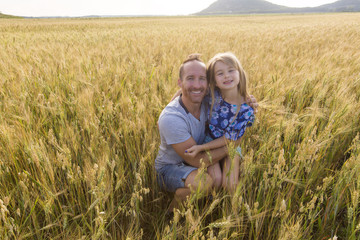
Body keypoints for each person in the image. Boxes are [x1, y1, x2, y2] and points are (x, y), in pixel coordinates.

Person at [155, 53, 257, 214]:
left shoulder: (206, 97)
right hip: (171, 168)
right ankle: (172, 213)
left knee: (223, 181)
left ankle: (221, 209)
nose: (197, 85)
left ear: (208, 82)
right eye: (190, 78)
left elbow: (229, 95)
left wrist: (248, 101)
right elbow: (197, 161)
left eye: (202, 79)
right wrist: (233, 144)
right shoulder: (172, 118)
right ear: (180, 83)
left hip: (202, 151)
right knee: (206, 182)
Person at [184, 52, 255, 192]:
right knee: (216, 180)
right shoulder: (212, 95)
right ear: (214, 80)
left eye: (231, 70)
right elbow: (184, 92)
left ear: (240, 73)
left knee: (230, 185)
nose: (227, 76)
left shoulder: (246, 110)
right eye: (220, 73)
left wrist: (200, 148)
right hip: (208, 142)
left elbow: (229, 140)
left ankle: (230, 209)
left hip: (230, 145)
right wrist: (171, 105)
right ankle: (209, 202)